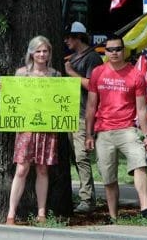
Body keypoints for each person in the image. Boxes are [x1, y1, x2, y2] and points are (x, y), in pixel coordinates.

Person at [84, 34, 147, 222]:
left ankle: (145, 208)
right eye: (110, 49)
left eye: (117, 49)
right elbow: (91, 106)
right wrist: (89, 134)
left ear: (124, 51)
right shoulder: (98, 72)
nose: (114, 53)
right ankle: (113, 216)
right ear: (104, 51)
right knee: (108, 176)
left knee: (140, 163)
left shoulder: (136, 74)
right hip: (103, 131)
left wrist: (146, 134)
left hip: (128, 129)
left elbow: (141, 108)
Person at [6, 36, 60, 225]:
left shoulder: (55, 75)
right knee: (22, 168)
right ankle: (11, 213)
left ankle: (42, 212)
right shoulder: (21, 74)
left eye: (45, 51)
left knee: (43, 169)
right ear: (31, 52)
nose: (42, 54)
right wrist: (5, 90)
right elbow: (13, 98)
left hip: (47, 127)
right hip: (26, 126)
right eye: (38, 51)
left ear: (49, 53)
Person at [63, 21, 103, 213]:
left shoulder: (92, 58)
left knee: (81, 157)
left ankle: (87, 199)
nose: (66, 40)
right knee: (72, 157)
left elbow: (94, 86)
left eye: (69, 37)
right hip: (69, 112)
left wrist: (71, 73)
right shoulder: (75, 56)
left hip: (83, 113)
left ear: (78, 37)